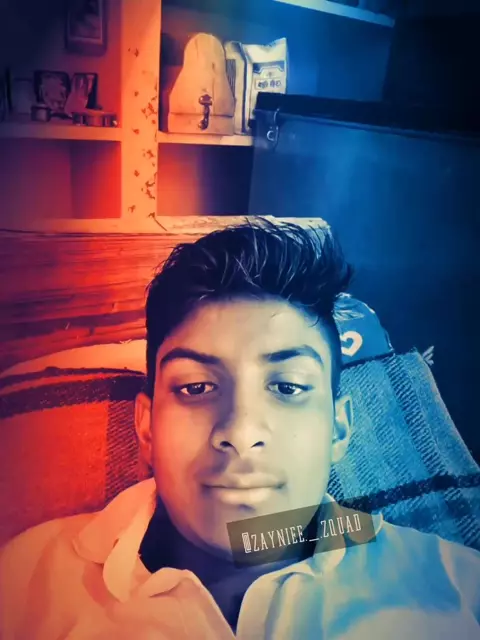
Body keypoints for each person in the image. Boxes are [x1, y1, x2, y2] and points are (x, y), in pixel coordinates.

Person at [0, 220, 479, 639]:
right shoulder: (25, 584)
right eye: (195, 387)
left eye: (288, 387)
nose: (241, 431)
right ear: (145, 427)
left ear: (338, 429)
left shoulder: (458, 595)